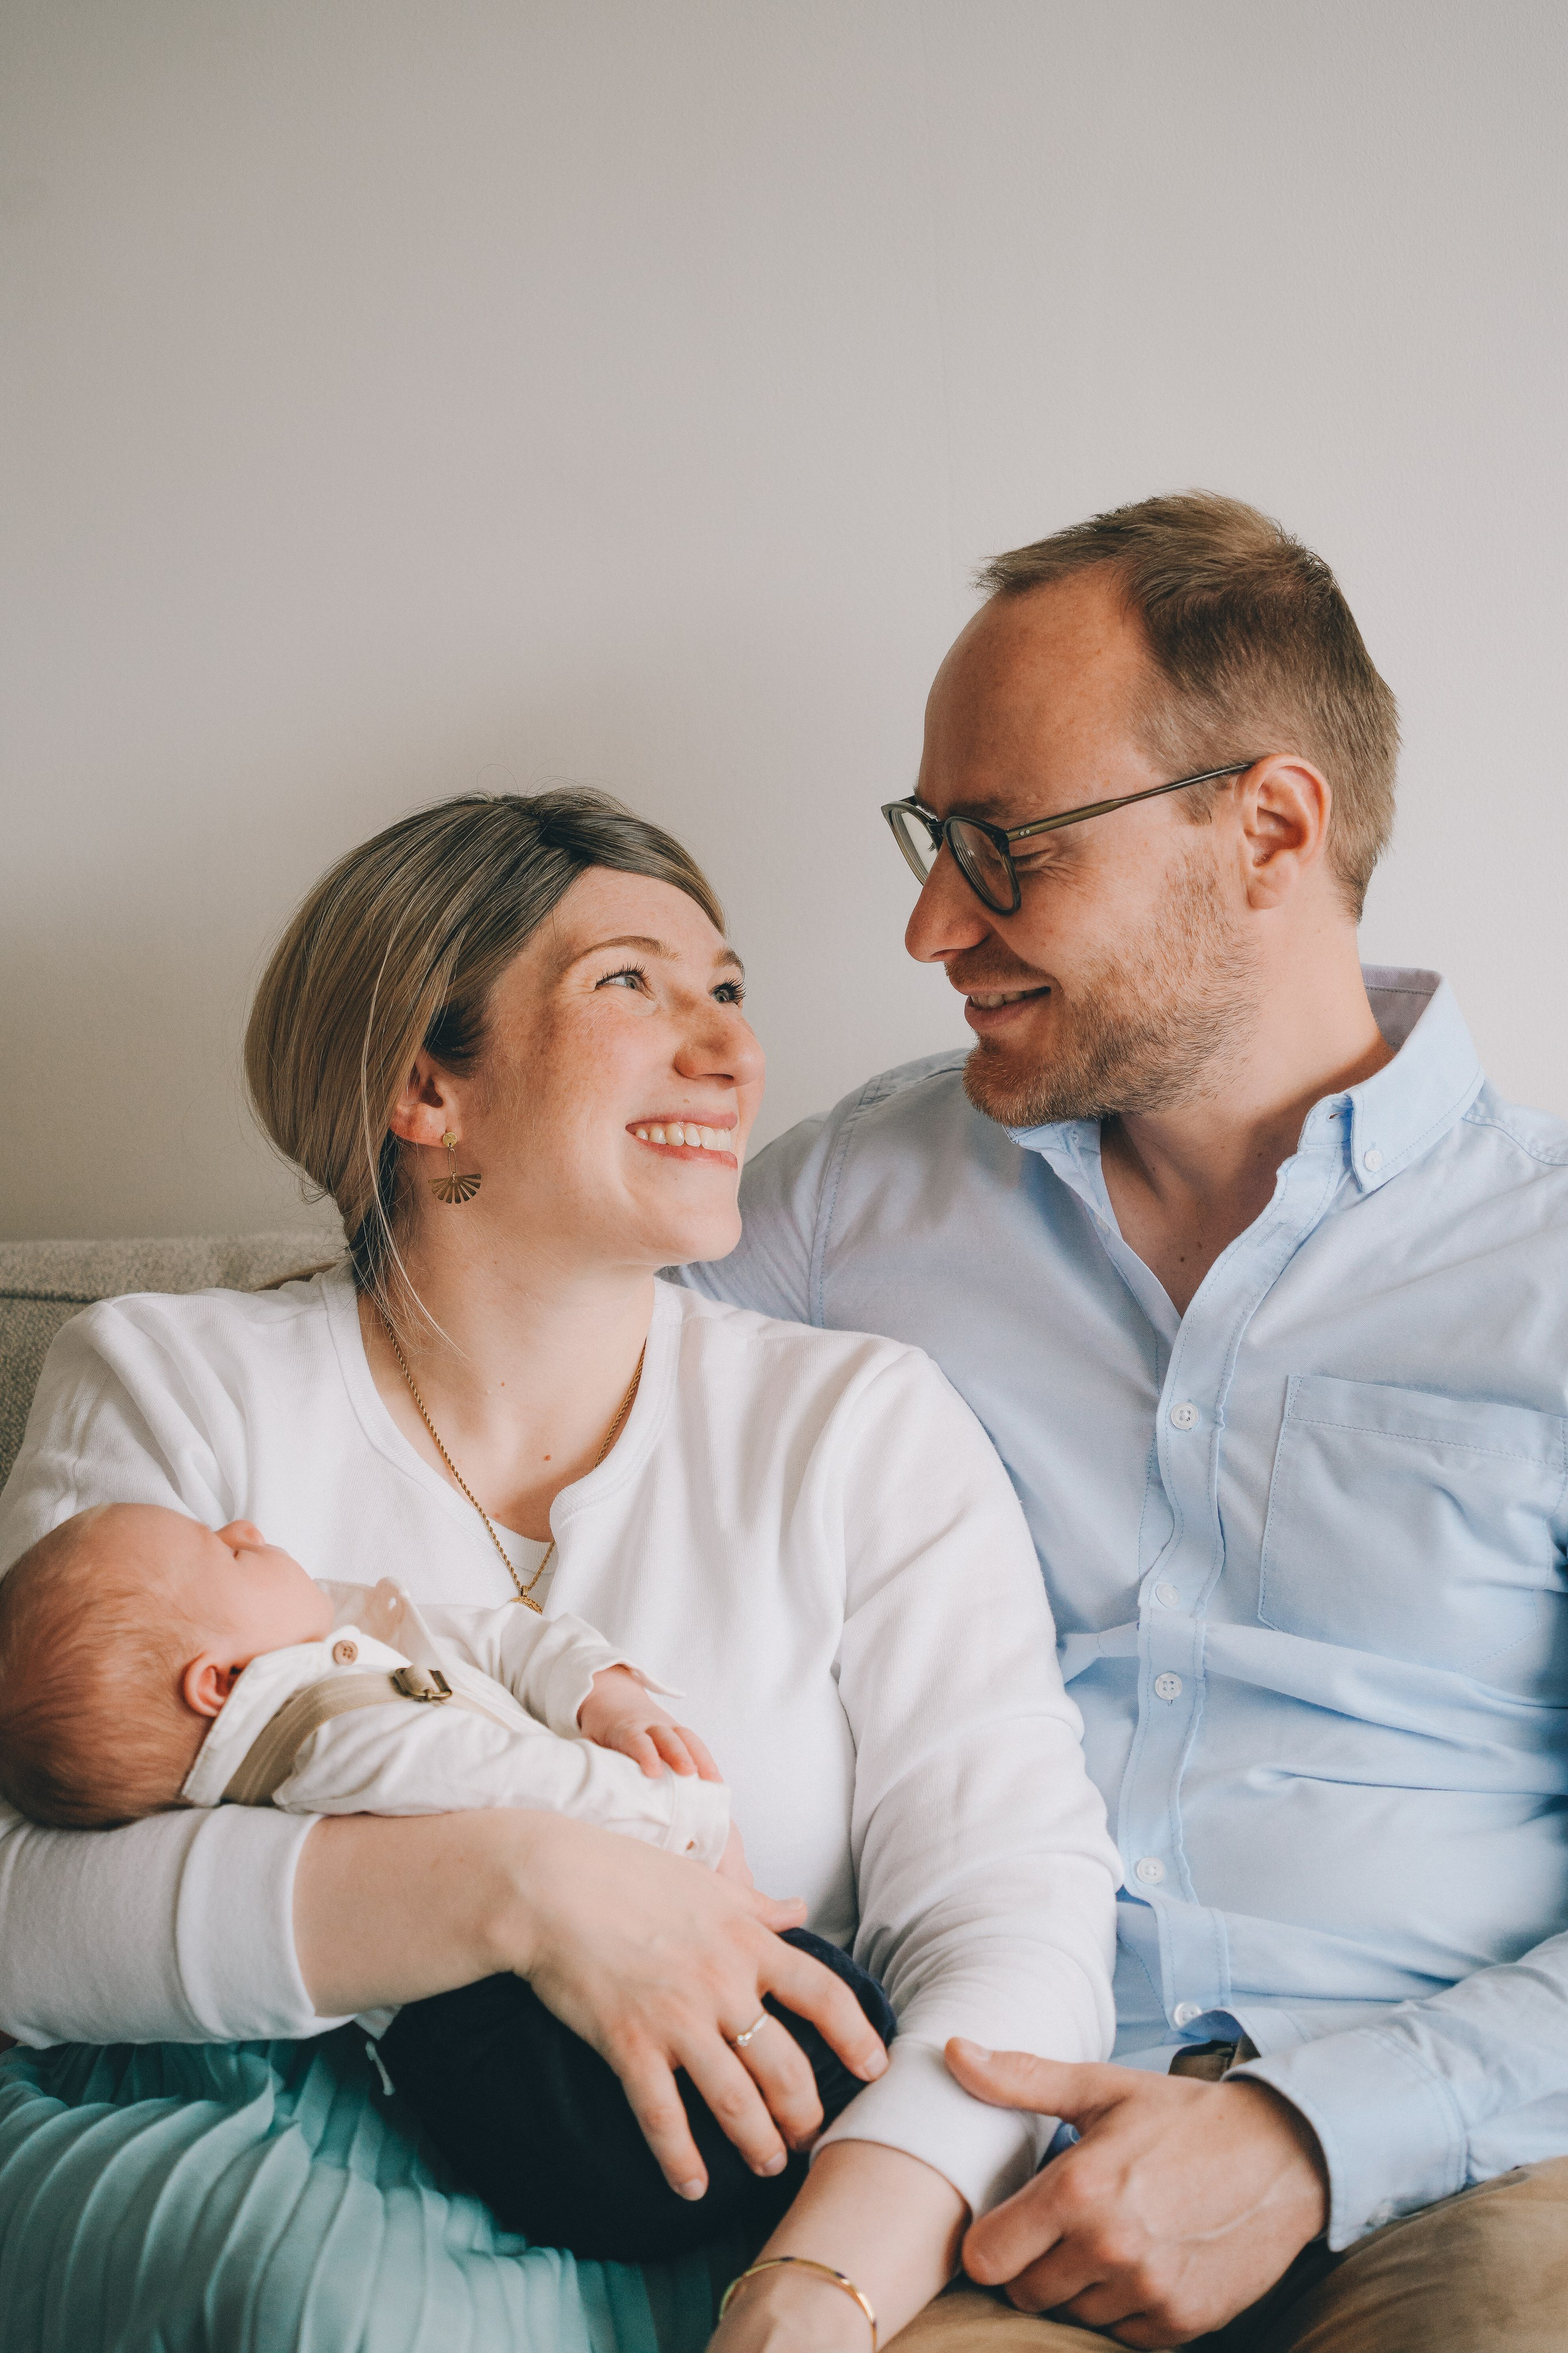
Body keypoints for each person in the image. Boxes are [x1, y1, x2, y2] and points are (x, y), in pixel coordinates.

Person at [0, 788, 1120, 2353]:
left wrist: (826, 2283)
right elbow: (27, 1903)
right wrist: (519, 1889)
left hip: (753, 2198)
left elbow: (1015, 1910)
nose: (728, 1051)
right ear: (421, 1086)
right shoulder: (175, 1382)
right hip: (291, 2218)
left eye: (725, 990)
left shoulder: (859, 1423)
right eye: (628, 984)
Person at [684, 492, 1568, 2352]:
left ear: (1268, 826)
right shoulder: (855, 1201)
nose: (933, 923)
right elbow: (502, 1418)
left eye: (1004, 846)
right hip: (992, 2191)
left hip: (1472, 2176)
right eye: (933, 840)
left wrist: (1314, 2137)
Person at [0, 1500, 896, 2258]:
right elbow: (511, 1779)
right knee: (823, 2041)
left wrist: (600, 1688)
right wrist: (689, 1823)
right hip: (505, 2027)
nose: (244, 1522)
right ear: (219, 1679)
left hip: (495, 2042)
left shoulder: (317, 1661)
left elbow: (487, 1635)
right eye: (228, 1550)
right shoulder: (329, 1733)